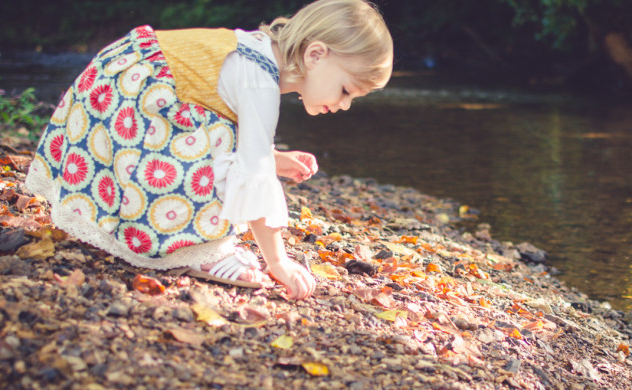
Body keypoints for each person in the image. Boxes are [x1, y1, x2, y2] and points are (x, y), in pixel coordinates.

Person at [24, 0, 393, 300]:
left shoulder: (259, 54)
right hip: (133, 101)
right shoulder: (261, 80)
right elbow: (254, 170)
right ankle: (202, 252)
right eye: (346, 91)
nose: (344, 105)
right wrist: (278, 261)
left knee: (216, 132)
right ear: (316, 55)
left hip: (116, 85)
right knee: (213, 152)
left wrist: (275, 158)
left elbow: (237, 126)